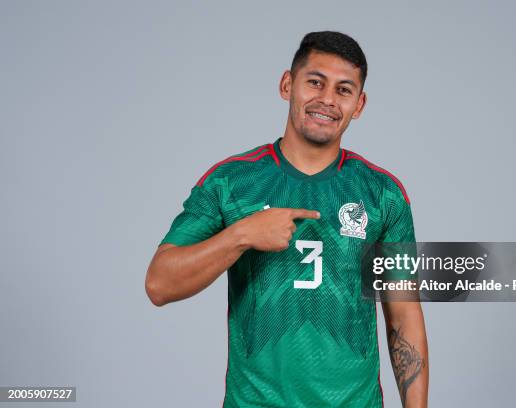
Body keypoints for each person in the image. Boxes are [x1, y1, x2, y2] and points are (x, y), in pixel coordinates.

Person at [146, 31, 428, 407]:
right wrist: (242, 234)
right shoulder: (232, 182)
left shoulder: (383, 193)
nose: (327, 99)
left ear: (359, 104)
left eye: (343, 90)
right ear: (287, 84)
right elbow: (159, 284)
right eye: (315, 82)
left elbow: (404, 313)